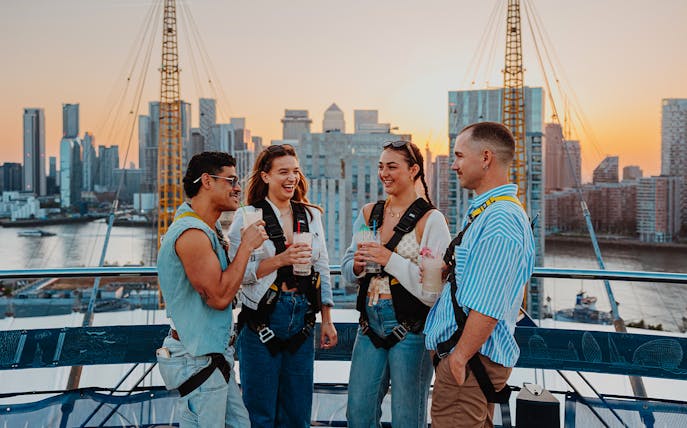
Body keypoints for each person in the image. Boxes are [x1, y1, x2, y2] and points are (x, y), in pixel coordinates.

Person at [424, 122, 535, 428]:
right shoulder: (490, 212)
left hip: (470, 364)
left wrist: (458, 359)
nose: (454, 165)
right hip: (471, 364)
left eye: (459, 156)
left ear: (486, 157)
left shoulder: (501, 220)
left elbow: (488, 304)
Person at [342, 140, 451, 428]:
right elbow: (346, 269)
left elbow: (433, 293)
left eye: (392, 166)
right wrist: (355, 266)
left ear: (414, 170)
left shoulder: (431, 220)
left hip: (411, 330)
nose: (384, 173)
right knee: (358, 414)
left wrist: (389, 259)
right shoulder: (369, 213)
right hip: (369, 326)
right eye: (381, 166)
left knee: (407, 418)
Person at [228, 144, 338, 428]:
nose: (291, 178)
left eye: (295, 172)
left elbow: (322, 267)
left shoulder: (310, 216)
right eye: (283, 172)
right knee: (260, 412)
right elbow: (238, 274)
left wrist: (327, 319)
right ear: (265, 176)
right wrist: (280, 260)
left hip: (302, 318)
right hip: (262, 319)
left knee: (297, 412)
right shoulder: (247, 216)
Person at [156, 151, 267, 428]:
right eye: (231, 180)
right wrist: (246, 247)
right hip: (197, 359)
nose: (238, 187)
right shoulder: (192, 234)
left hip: (213, 355)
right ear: (206, 181)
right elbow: (218, 297)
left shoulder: (210, 228)